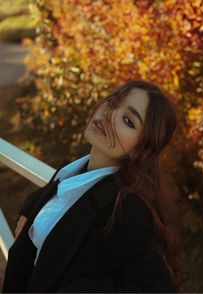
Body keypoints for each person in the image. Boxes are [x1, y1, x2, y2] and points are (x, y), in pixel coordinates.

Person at [2, 80, 189, 293]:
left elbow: (157, 288)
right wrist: (31, 208)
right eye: (113, 102)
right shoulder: (77, 168)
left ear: (140, 149)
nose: (109, 115)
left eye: (128, 120)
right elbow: (60, 196)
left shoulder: (127, 209)